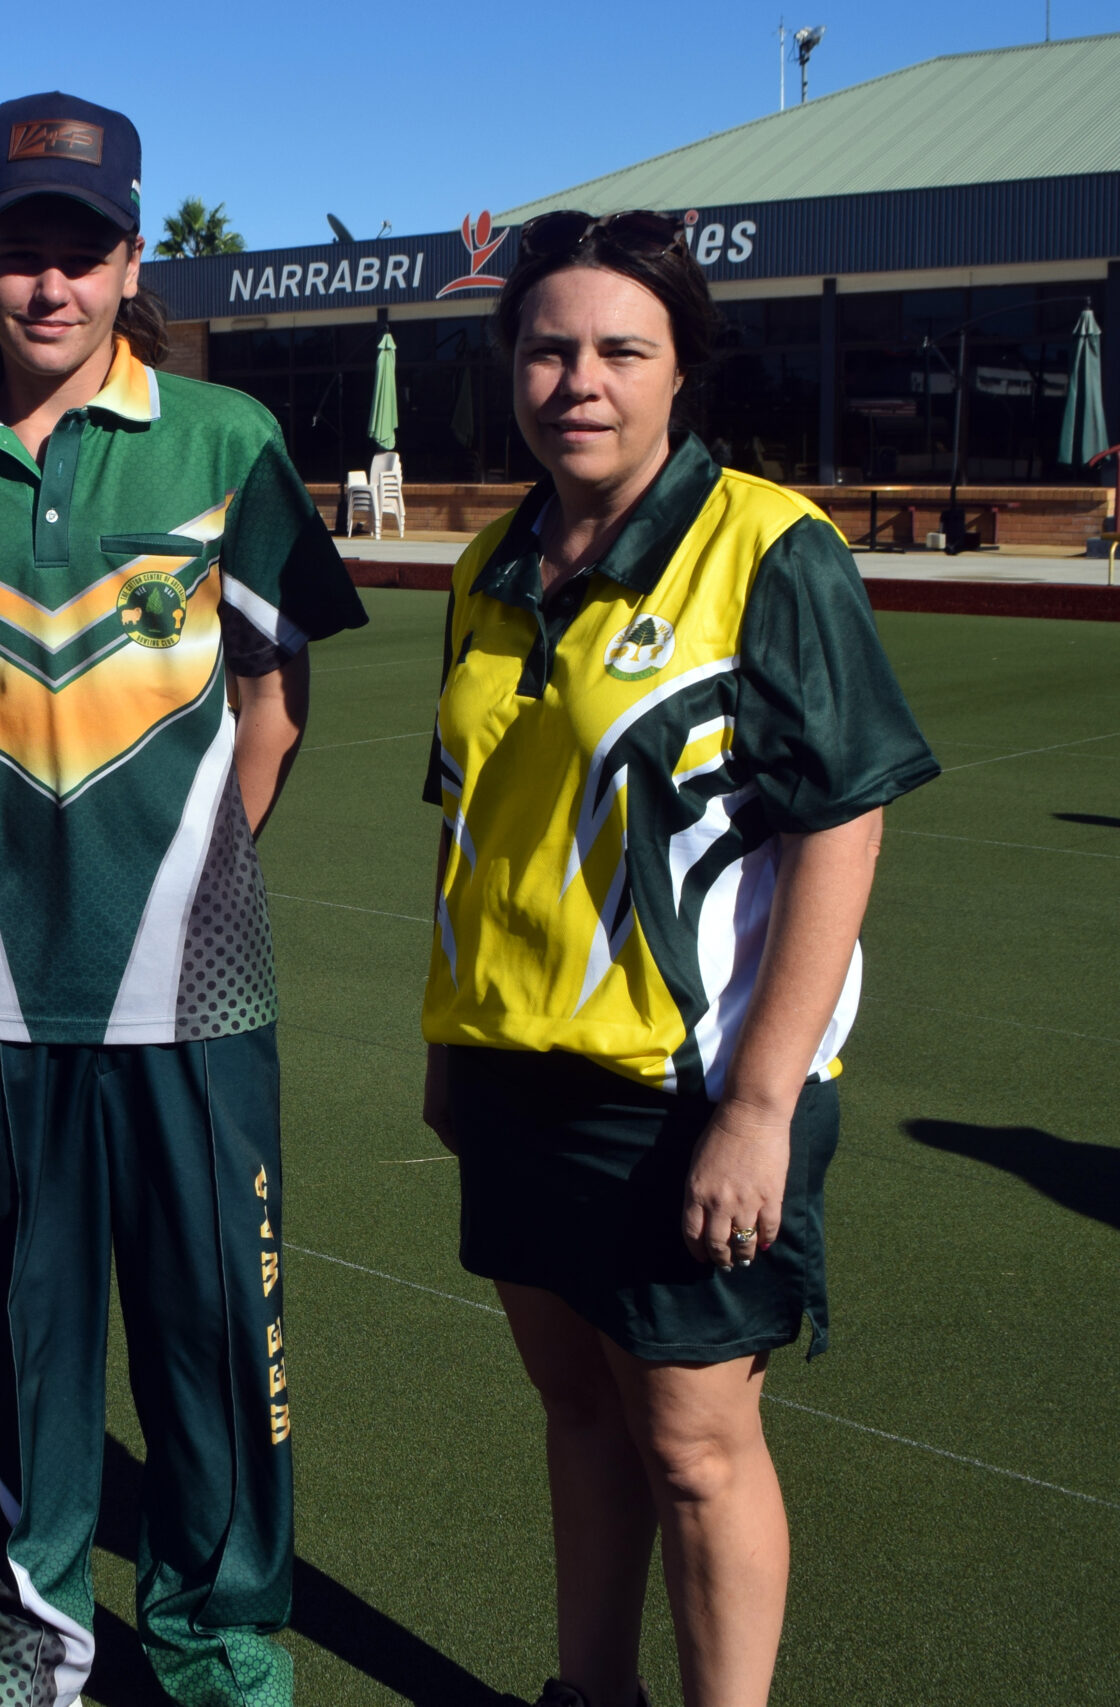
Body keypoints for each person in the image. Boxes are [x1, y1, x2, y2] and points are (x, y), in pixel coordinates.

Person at [0, 94, 366, 1707]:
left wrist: (194, 865)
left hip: (194, 985)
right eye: (22, 252)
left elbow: (272, 701)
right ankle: (31, 1629)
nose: (51, 286)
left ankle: (221, 1634)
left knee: (218, 1331)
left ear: (131, 259)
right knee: (12, 1340)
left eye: (82, 252)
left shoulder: (227, 444)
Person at [418, 211, 940, 1707]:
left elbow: (841, 825)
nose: (577, 379)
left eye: (618, 350)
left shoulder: (768, 546)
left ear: (678, 369)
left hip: (686, 1095)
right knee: (577, 1411)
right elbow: (478, 829)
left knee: (699, 1453)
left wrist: (760, 1106)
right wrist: (451, 1046)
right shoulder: (488, 561)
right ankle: (591, 1690)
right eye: (548, 347)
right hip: (516, 1079)